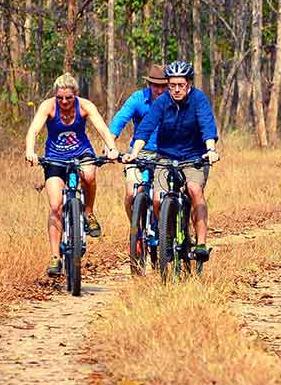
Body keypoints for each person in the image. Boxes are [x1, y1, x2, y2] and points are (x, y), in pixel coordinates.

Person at [23, 73, 120, 277]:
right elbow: (33, 131)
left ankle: (88, 213)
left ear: (75, 95)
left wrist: (111, 148)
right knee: (55, 205)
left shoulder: (85, 106)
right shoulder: (48, 106)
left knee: (90, 176)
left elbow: (102, 128)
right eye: (60, 98)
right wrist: (30, 151)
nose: (64, 102)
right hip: (55, 157)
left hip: (81, 152)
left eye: (68, 98)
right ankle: (55, 257)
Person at [125, 60, 220, 261]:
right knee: (159, 199)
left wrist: (210, 149)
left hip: (194, 157)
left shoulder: (199, 99)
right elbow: (146, 127)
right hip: (166, 156)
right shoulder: (162, 102)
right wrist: (135, 152)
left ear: (189, 84)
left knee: (194, 190)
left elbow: (207, 125)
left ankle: (201, 243)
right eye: (172, 85)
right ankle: (166, 238)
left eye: (181, 85)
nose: (176, 90)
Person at [109, 64, 169, 221]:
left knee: (166, 195)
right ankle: (135, 231)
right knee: (132, 193)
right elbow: (120, 120)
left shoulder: (173, 101)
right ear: (149, 84)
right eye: (156, 86)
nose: (160, 90)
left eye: (164, 86)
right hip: (138, 152)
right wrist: (110, 144)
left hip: (165, 153)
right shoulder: (138, 99)